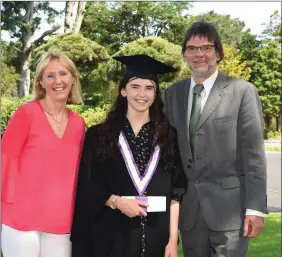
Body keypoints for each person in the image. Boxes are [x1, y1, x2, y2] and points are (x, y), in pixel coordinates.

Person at [163, 21, 267, 257]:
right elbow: (167, 153)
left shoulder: (242, 92)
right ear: (184, 54)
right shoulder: (172, 95)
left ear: (218, 53)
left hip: (230, 212)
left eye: (206, 48)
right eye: (191, 48)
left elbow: (254, 157)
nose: (199, 54)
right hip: (189, 214)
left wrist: (256, 208)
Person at [70, 54, 187, 257]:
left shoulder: (168, 136)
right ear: (123, 90)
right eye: (135, 87)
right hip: (111, 236)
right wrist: (116, 201)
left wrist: (171, 241)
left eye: (149, 88)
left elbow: (175, 193)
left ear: (155, 93)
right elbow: (87, 184)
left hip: (156, 236)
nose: (142, 94)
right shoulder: (100, 135)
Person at [1, 49, 86, 257]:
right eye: (50, 75)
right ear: (41, 82)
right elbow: (5, 162)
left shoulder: (78, 124)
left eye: (63, 73)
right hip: (20, 220)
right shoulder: (26, 114)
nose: (58, 80)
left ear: (73, 79)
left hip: (62, 222)